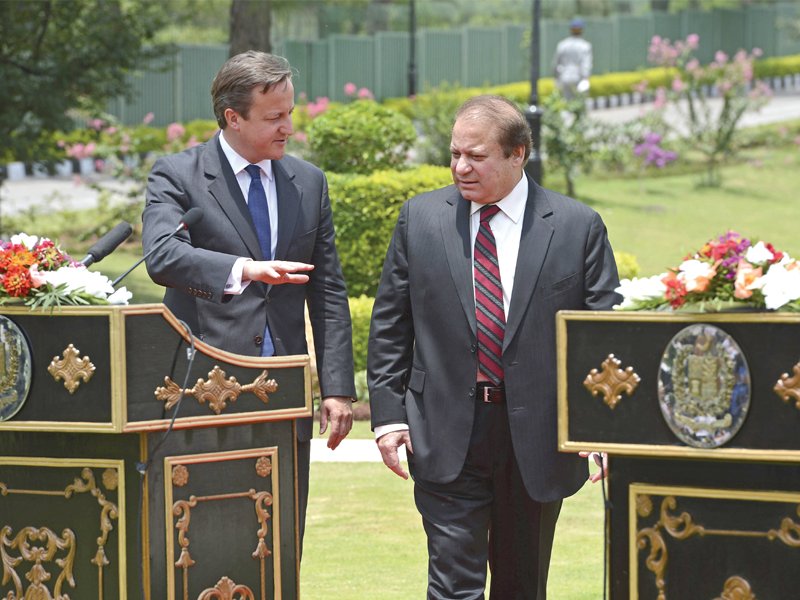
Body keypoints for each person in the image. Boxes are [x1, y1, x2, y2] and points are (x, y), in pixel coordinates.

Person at [367, 95, 620, 599]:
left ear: (518, 154)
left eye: (476, 156)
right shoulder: (419, 219)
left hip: (539, 437)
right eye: (455, 154)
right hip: (444, 432)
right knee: (453, 586)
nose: (461, 167)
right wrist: (389, 417)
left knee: (522, 586)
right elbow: (391, 325)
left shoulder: (576, 226)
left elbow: (601, 337)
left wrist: (602, 424)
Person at [142, 50, 356, 547]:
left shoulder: (308, 181)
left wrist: (338, 388)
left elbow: (327, 291)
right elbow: (161, 255)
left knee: (279, 540)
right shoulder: (177, 175)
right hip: (202, 390)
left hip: (282, 395)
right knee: (205, 541)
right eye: (274, 117)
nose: (288, 127)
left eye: (290, 113)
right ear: (232, 117)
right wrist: (244, 269)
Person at [553, 18, 593, 99]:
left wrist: (556, 77)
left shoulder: (562, 44)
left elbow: (556, 63)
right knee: (578, 103)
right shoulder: (585, 46)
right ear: (581, 30)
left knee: (566, 102)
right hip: (578, 78)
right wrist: (585, 78)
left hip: (564, 77)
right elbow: (586, 65)